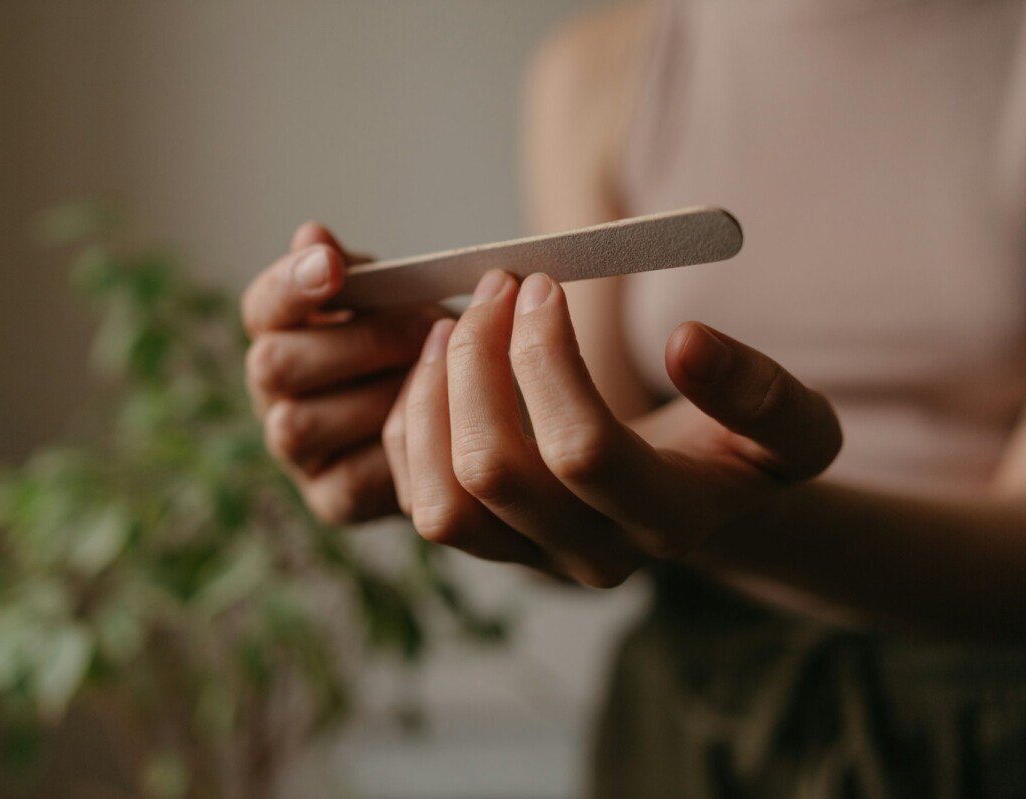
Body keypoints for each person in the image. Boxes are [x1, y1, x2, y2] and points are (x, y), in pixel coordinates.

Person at [241, 1, 1026, 795]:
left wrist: (749, 517)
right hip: (690, 718)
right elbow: (583, 519)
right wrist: (444, 414)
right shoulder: (600, 70)